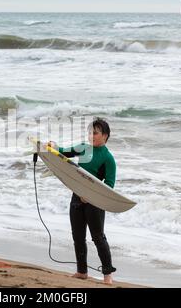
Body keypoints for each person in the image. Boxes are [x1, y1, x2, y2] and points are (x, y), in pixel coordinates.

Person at [48, 118, 116, 284]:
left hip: (95, 202)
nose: (91, 135)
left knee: (98, 237)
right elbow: (64, 152)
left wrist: (91, 197)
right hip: (76, 198)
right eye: (90, 132)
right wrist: (53, 146)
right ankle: (81, 271)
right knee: (77, 236)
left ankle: (108, 274)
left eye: (95, 133)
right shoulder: (84, 148)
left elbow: (109, 185)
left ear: (105, 135)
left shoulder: (108, 158)